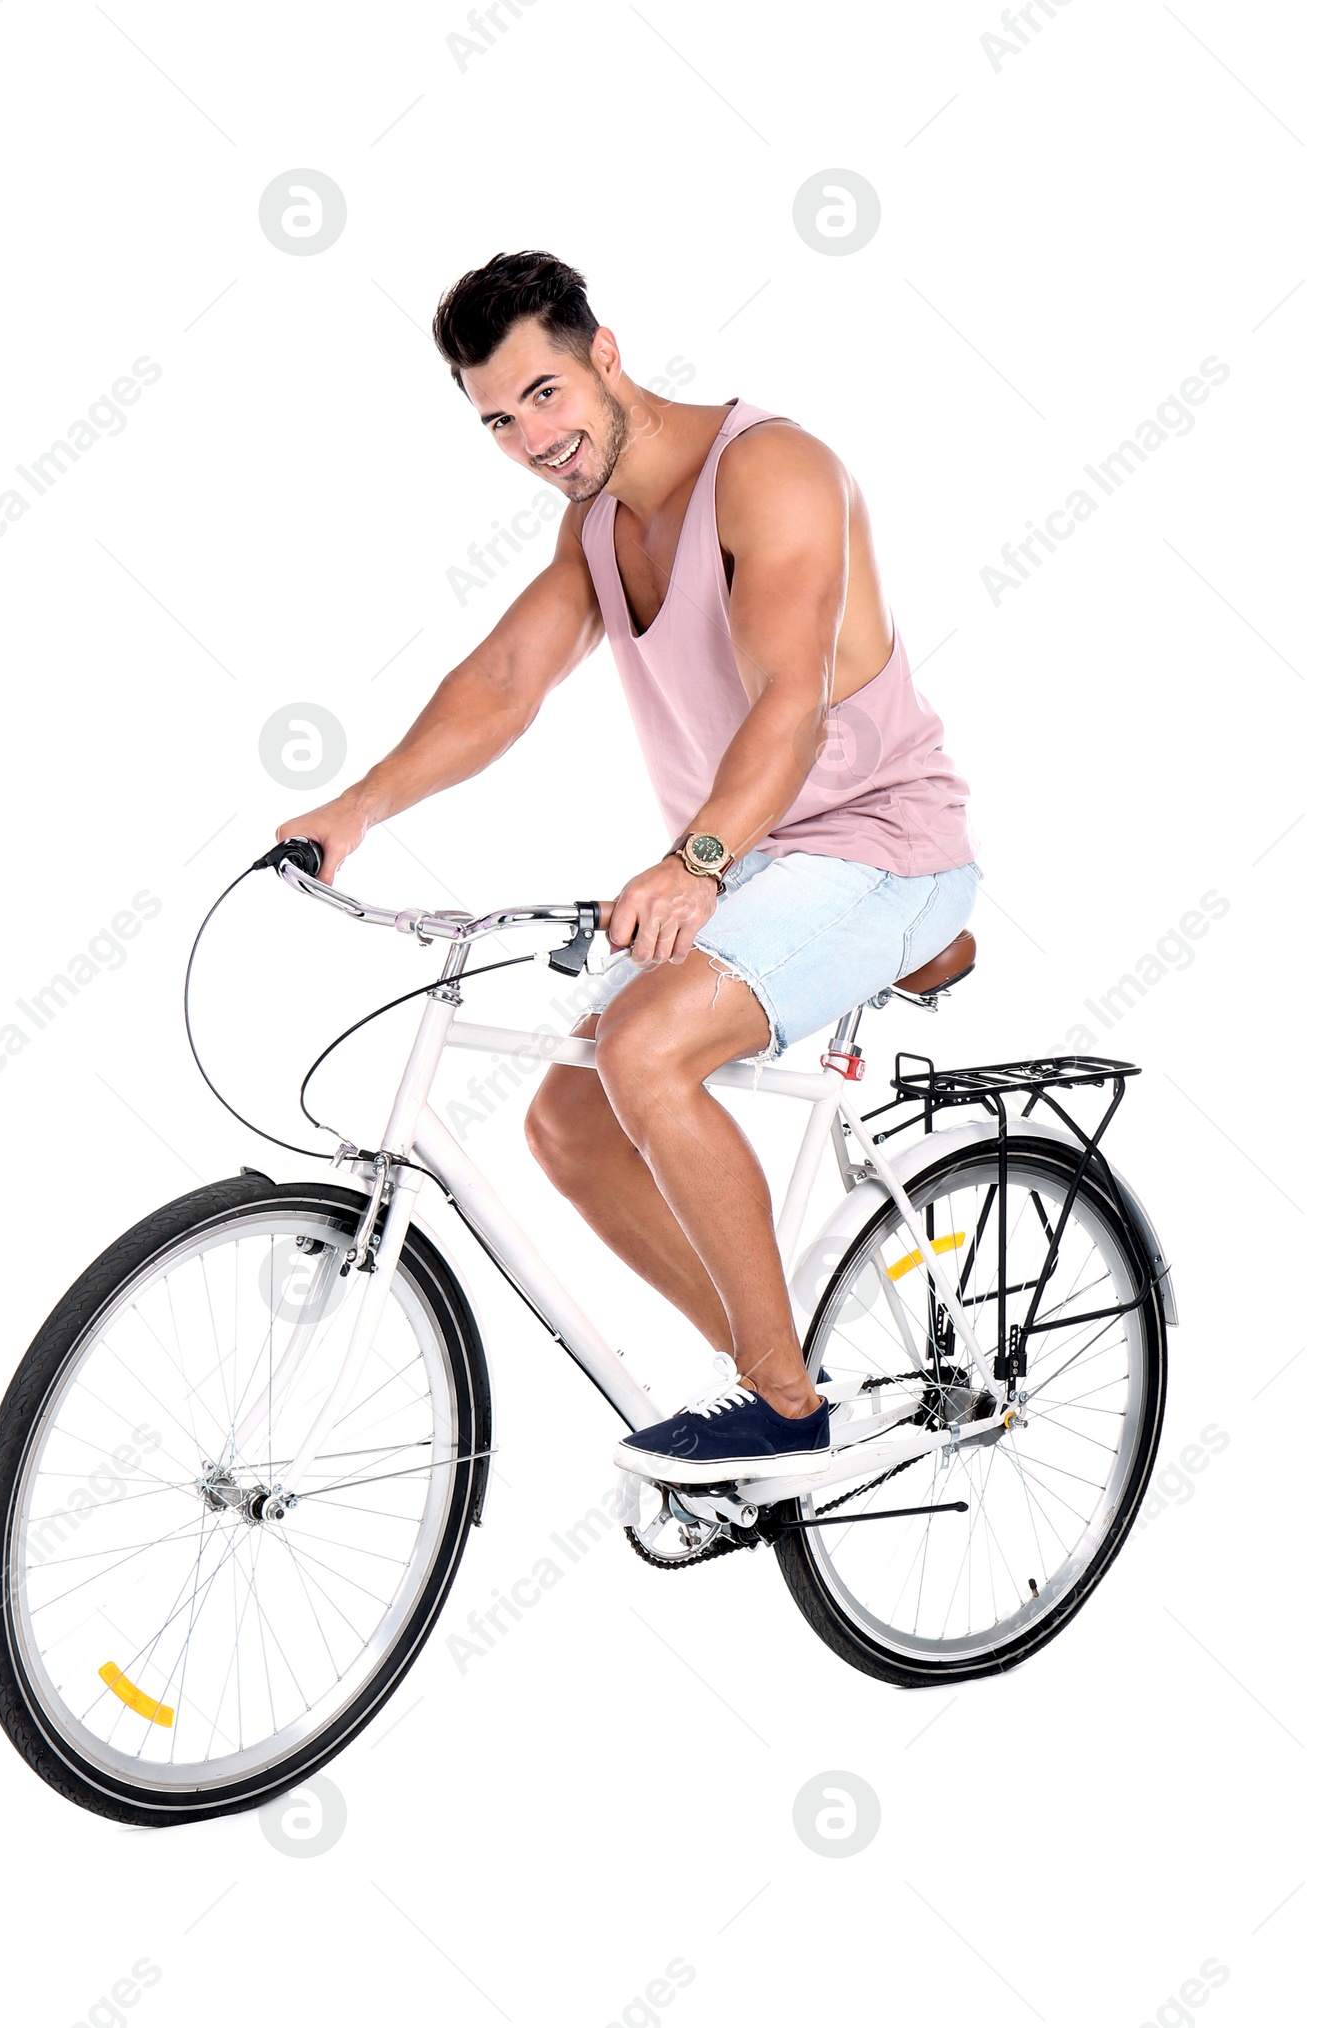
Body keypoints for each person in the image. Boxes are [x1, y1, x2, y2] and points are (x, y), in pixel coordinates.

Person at [278, 251, 977, 1486]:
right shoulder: (594, 524)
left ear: (606, 353)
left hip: (873, 839)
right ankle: (801, 1380)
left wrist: (696, 859)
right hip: (757, 869)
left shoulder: (772, 471)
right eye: (496, 418)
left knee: (644, 1051)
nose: (530, 435)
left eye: (544, 393)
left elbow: (790, 705)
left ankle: (782, 1409)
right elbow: (504, 684)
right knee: (569, 1125)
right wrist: (356, 805)